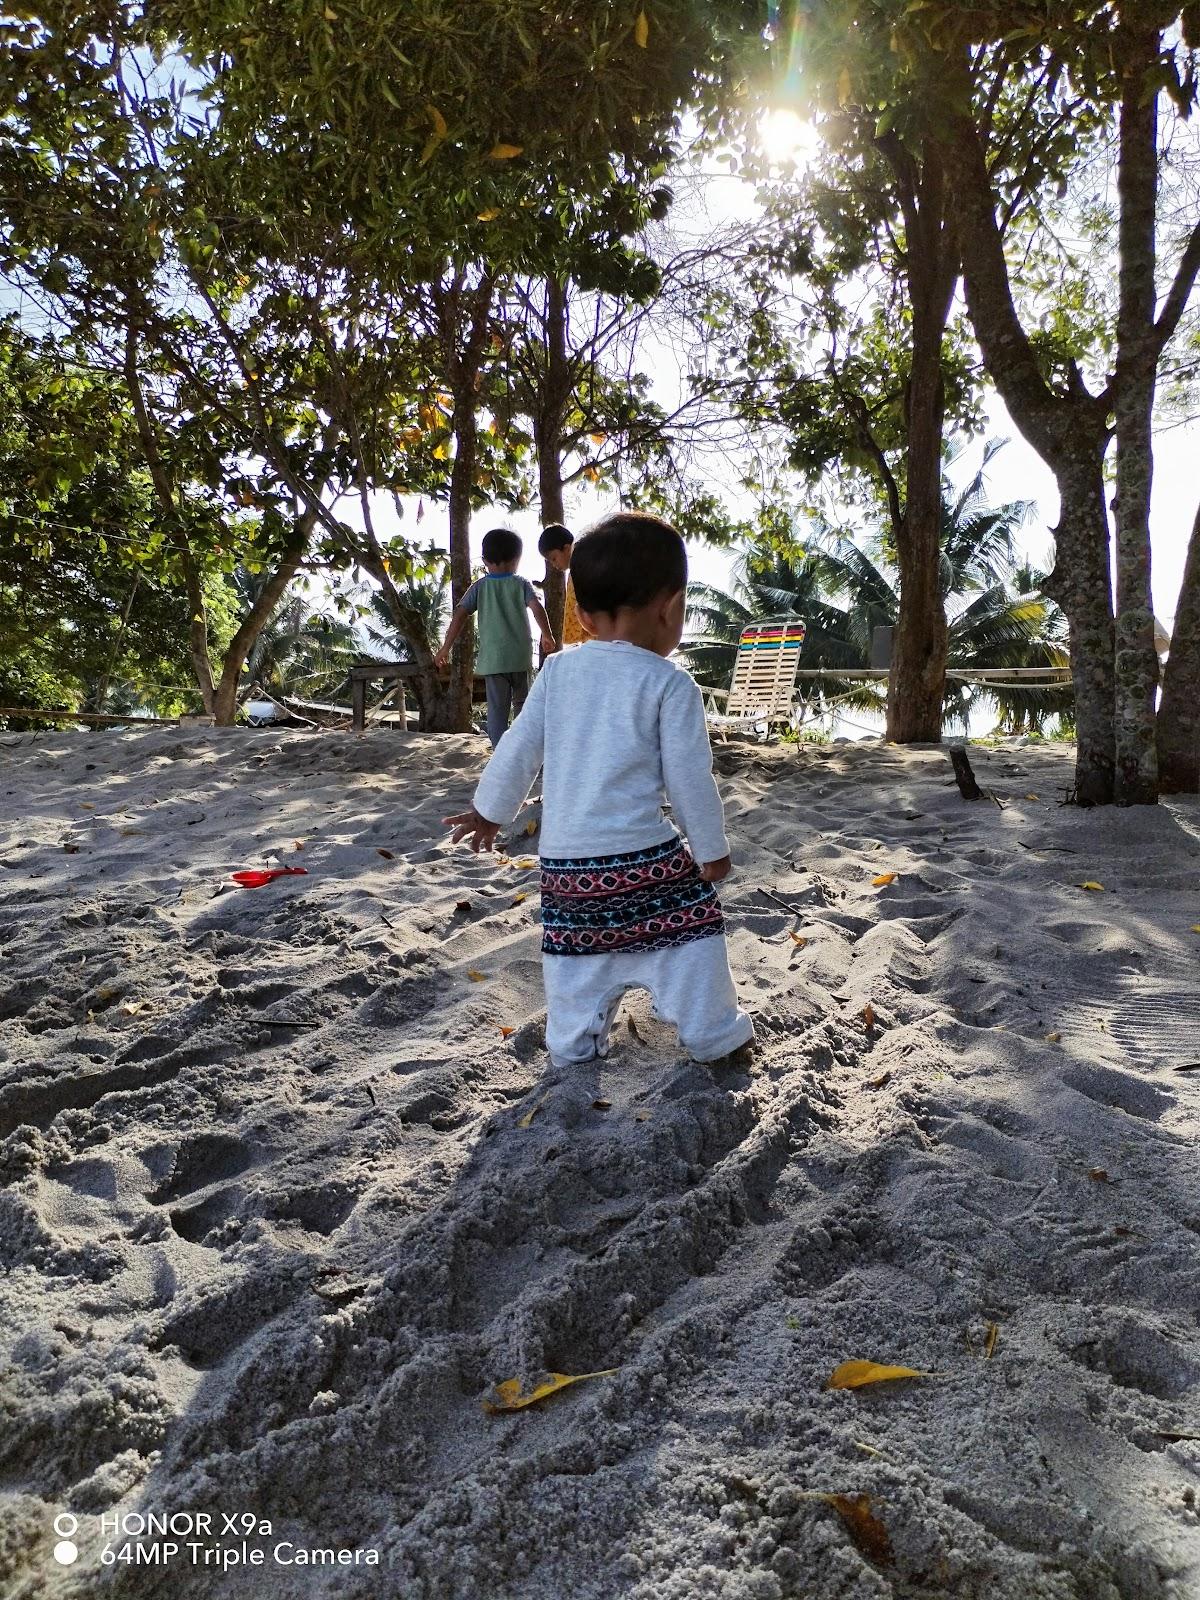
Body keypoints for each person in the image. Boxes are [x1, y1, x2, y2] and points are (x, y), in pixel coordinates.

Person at [444, 511, 753, 1069]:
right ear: (671, 608)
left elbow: (518, 746)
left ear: (582, 616)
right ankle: (711, 1033)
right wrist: (710, 849)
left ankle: (572, 1046)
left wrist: (489, 811)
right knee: (693, 931)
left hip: (565, 870)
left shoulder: (557, 673)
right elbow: (689, 779)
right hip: (641, 859)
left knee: (576, 957)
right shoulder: (670, 683)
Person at [434, 527, 556, 749]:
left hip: (494, 661)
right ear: (517, 558)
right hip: (519, 657)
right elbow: (537, 608)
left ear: (484, 560)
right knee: (523, 705)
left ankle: (501, 750)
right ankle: (523, 747)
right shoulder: (521, 584)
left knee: (497, 710)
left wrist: (445, 648)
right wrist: (546, 635)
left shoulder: (480, 587)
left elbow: (459, 616)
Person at [537, 523, 590, 647]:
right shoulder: (575, 570)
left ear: (566, 548)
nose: (553, 564)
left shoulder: (582, 567)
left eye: (554, 558)